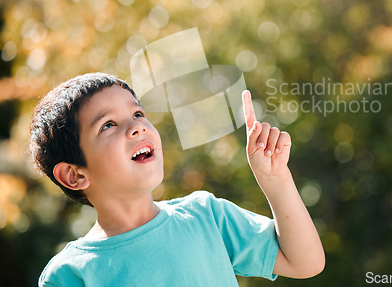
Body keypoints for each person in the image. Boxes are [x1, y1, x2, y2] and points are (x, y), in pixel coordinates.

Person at [30, 72, 325, 286]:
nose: (137, 128)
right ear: (74, 175)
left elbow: (306, 262)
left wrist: (276, 180)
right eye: (108, 124)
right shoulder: (69, 274)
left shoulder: (206, 215)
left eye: (138, 113)